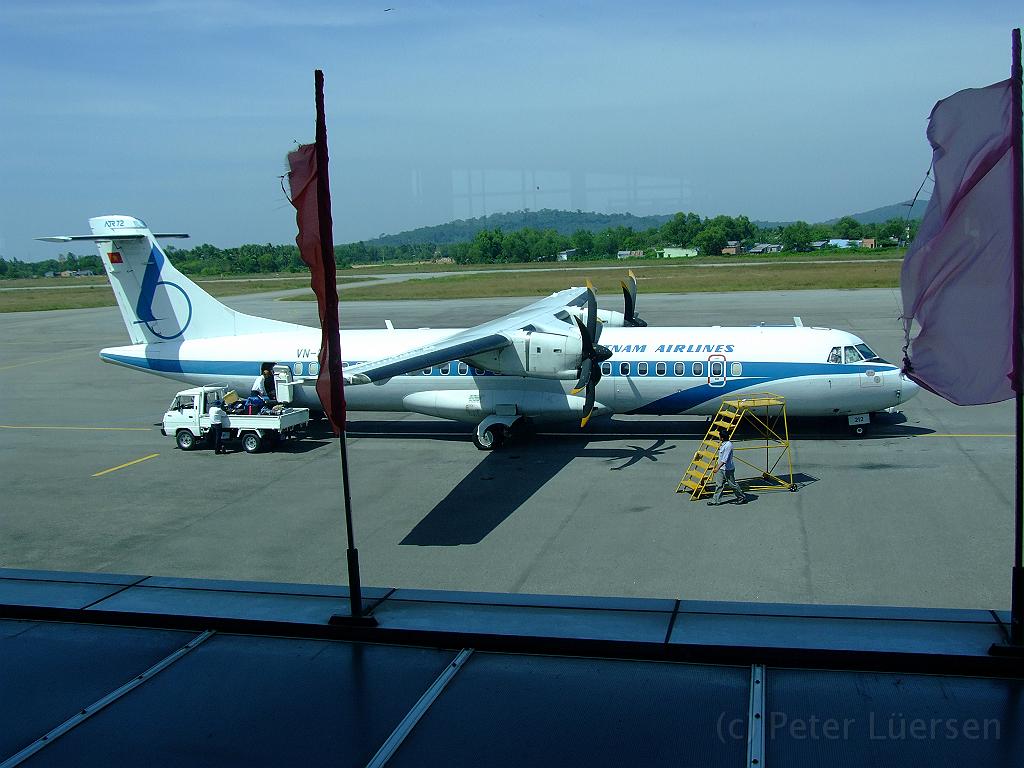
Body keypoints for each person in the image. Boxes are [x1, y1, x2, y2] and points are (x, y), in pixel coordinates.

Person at [708, 429, 748, 506]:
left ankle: (741, 497)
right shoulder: (723, 444)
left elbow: (724, 459)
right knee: (719, 485)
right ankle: (715, 501)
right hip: (721, 469)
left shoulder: (728, 445)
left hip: (728, 469)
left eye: (720, 437)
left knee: (732, 485)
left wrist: (717, 468)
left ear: (722, 438)